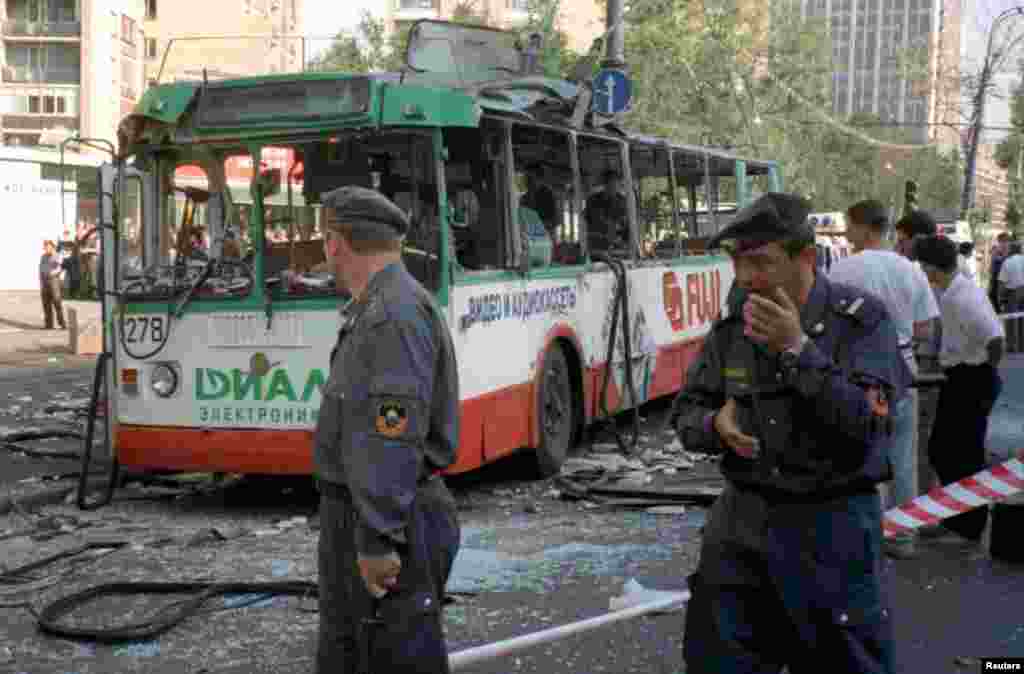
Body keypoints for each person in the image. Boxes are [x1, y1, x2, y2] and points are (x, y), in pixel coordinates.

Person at [672, 193, 910, 674]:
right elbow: (687, 413)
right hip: (742, 529)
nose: (744, 277)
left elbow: (866, 426)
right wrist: (713, 426)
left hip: (832, 528)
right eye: (737, 262)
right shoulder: (735, 323)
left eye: (761, 262)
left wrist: (797, 348)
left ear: (805, 257)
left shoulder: (861, 322)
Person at [313, 186, 461, 674]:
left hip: (390, 520)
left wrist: (378, 538)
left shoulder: (390, 316)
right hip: (377, 514)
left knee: (396, 658)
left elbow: (391, 436)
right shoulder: (380, 306)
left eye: (323, 239)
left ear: (336, 242)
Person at [829, 199, 939, 560]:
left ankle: (867, 535)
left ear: (862, 227)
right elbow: (925, 328)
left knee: (861, 456)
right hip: (904, 373)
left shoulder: (842, 271)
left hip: (858, 377)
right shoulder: (911, 270)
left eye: (849, 225)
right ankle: (902, 536)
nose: (846, 232)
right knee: (902, 458)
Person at [914, 235, 1004, 543]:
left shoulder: (963, 296)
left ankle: (969, 527)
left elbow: (995, 340)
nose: (923, 275)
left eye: (923, 268)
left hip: (972, 379)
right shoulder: (953, 291)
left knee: (962, 454)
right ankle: (959, 522)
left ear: (932, 269)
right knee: (945, 450)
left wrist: (982, 370)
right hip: (963, 377)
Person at [584, 168, 628, 254]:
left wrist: (621, 236)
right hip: (597, 245)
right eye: (610, 183)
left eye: (616, 184)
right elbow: (594, 220)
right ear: (605, 184)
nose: (613, 187)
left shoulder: (623, 201)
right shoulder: (593, 200)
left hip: (618, 246)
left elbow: (625, 223)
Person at [998, 241, 1024, 352]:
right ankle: (1022, 345)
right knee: (1022, 319)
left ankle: (1011, 345)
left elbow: (1002, 282)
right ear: (1020, 249)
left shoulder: (1007, 262)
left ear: (1012, 250)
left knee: (1011, 320)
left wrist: (1000, 296)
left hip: (1012, 293)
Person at [39, 240, 66, 330]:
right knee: (46, 304)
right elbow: (41, 269)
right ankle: (49, 324)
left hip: (54, 281)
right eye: (45, 248)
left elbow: (60, 267)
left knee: (57, 303)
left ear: (52, 247)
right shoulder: (43, 257)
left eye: (47, 248)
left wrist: (54, 272)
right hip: (45, 281)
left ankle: (62, 323)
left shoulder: (57, 255)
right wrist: (41, 282)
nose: (45, 250)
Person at [988, 232, 1011, 311]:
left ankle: (998, 311)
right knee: (993, 294)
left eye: (999, 241)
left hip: (1000, 274)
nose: (999, 243)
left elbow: (1003, 258)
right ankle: (998, 310)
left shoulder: (1005, 248)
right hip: (997, 273)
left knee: (994, 294)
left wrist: (996, 253)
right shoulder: (999, 248)